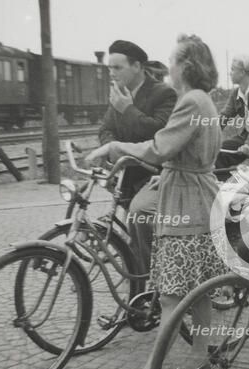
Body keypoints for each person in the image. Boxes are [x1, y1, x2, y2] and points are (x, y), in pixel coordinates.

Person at [86, 34, 228, 369]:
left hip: (186, 204)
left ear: (187, 66)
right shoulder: (204, 101)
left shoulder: (190, 101)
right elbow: (183, 155)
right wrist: (165, 171)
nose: (168, 67)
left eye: (173, 61)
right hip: (199, 197)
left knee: (170, 298)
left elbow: (159, 146)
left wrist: (114, 146)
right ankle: (200, 365)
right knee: (198, 295)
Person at [100, 40, 178, 274]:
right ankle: (137, 280)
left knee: (139, 218)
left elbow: (158, 134)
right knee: (134, 233)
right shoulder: (119, 93)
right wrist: (111, 149)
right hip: (127, 174)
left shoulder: (164, 93)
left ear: (137, 67)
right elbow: (105, 130)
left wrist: (127, 109)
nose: (112, 74)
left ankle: (147, 283)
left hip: (155, 174)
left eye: (117, 68)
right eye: (109, 68)